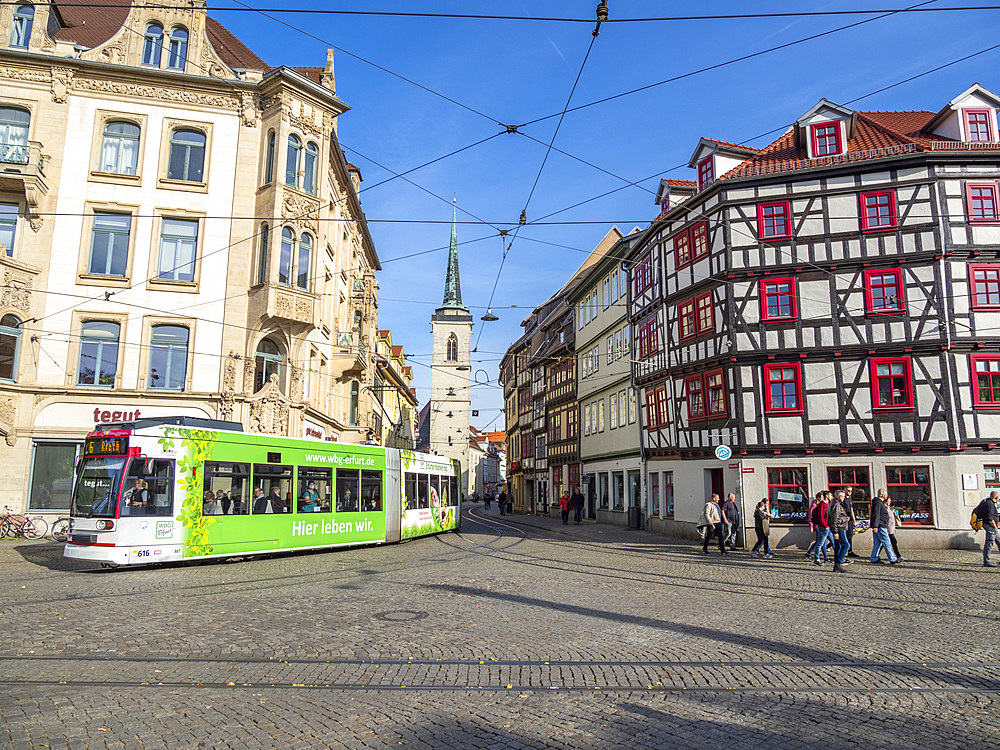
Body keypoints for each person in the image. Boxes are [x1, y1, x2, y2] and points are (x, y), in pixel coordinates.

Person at [870, 489, 899, 564]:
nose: (886, 496)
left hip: (879, 525)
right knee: (886, 542)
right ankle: (892, 558)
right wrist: (875, 526)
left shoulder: (879, 503)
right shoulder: (878, 503)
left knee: (878, 543)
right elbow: (876, 514)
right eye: (885, 494)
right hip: (880, 525)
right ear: (883, 495)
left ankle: (874, 558)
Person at [974, 490, 1000, 567]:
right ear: (997, 497)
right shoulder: (990, 504)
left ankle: (987, 561)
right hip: (990, 526)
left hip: (990, 526)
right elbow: (989, 517)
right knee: (989, 543)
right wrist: (994, 526)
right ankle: (987, 561)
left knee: (998, 541)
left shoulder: (986, 501)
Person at [828, 490, 851, 573]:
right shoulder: (837, 504)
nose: (844, 498)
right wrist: (835, 532)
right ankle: (839, 563)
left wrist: (845, 518)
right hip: (839, 528)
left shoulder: (834, 503)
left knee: (838, 547)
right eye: (843, 496)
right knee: (846, 545)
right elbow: (835, 518)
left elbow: (838, 516)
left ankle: (836, 565)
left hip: (839, 526)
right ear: (840, 496)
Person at [811, 493, 832, 565]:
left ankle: (831, 558)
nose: (831, 497)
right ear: (827, 496)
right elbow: (821, 516)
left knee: (831, 542)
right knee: (819, 543)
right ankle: (816, 559)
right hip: (823, 527)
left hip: (828, 526)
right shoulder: (822, 505)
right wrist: (825, 525)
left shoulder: (828, 504)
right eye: (830, 495)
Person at [886, 496, 907, 562]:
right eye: (889, 501)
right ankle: (898, 556)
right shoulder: (885, 508)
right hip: (888, 529)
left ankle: (877, 554)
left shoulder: (888, 508)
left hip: (891, 529)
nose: (890, 502)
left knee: (885, 543)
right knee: (893, 542)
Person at [843, 486, 861, 558]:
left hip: (850, 520)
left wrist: (854, 520)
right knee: (843, 536)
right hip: (844, 520)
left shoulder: (850, 499)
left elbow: (851, 509)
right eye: (848, 491)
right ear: (845, 490)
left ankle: (850, 551)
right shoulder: (842, 499)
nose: (850, 492)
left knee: (850, 535)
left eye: (851, 491)